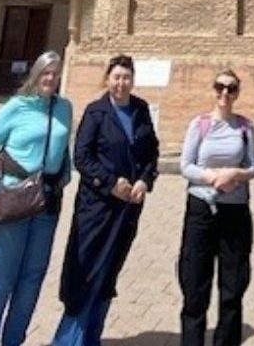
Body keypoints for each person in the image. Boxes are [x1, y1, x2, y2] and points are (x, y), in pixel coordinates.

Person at [53, 54, 158, 346]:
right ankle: (68, 340)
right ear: (107, 79)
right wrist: (110, 183)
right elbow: (82, 157)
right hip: (96, 208)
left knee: (109, 269)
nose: (121, 83)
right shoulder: (95, 112)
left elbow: (151, 153)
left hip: (127, 209)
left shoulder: (140, 109)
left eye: (126, 78)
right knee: (85, 269)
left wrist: (144, 181)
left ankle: (91, 337)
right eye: (116, 77)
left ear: (133, 80)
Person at [0, 51, 73, 346]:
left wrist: (66, 174)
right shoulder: (16, 107)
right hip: (13, 202)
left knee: (31, 280)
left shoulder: (64, 107)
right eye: (45, 73)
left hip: (47, 203)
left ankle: (14, 341)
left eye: (55, 73)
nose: (50, 79)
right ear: (35, 75)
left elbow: (65, 145)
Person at [178, 68, 254, 346]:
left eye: (231, 88)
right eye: (220, 87)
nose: (224, 93)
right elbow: (185, 165)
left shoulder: (246, 128)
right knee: (194, 284)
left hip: (234, 212)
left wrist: (235, 175)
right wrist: (211, 177)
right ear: (213, 89)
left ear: (237, 93)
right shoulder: (199, 124)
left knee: (232, 287)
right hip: (202, 210)